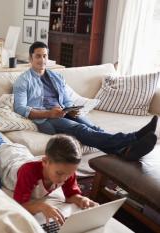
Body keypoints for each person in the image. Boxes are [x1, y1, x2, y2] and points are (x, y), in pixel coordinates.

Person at [13, 41, 158, 161]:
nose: (42, 60)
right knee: (81, 129)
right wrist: (50, 114)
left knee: (96, 129)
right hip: (46, 119)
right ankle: (134, 137)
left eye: (44, 56)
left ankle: (125, 152)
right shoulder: (23, 80)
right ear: (30, 58)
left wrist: (71, 109)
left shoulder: (56, 77)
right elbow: (20, 108)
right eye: (38, 56)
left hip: (64, 112)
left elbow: (66, 100)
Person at [0, 108, 97, 225]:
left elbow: (70, 195)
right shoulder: (28, 173)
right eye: (59, 174)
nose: (64, 179)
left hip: (20, 153)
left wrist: (80, 199)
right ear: (45, 161)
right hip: (6, 158)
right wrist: (42, 206)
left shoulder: (66, 171)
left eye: (69, 174)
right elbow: (21, 204)